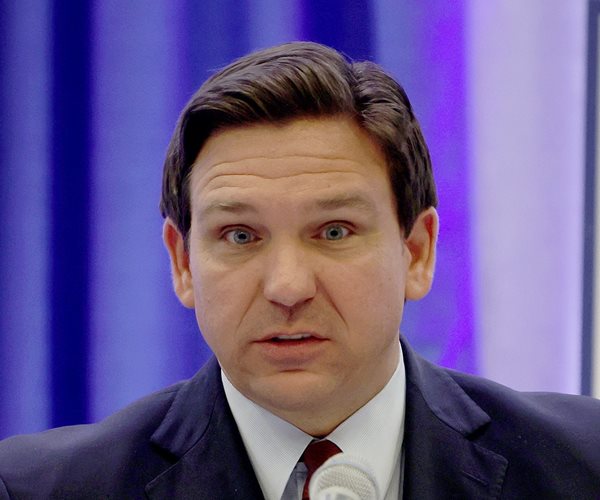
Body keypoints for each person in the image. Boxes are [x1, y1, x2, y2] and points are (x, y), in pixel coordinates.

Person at [0, 41, 599, 499]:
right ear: (182, 263)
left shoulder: (582, 464)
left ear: (416, 252)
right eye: (240, 236)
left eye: (334, 232)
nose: (287, 287)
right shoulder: (38, 488)